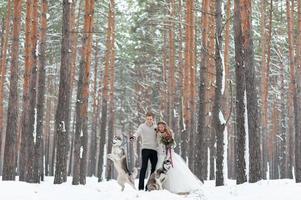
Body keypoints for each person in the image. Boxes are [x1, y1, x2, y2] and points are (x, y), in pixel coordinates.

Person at [156, 121, 202, 194]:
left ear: (165, 127)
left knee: (173, 170)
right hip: (161, 154)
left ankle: (177, 187)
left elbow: (174, 144)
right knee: (160, 170)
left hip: (169, 154)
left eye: (162, 127)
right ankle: (159, 186)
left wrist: (169, 144)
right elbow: (157, 144)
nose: (161, 128)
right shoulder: (157, 134)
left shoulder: (169, 133)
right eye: (159, 127)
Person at [130, 112, 158, 190]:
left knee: (153, 169)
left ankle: (149, 186)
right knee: (144, 168)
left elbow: (161, 135)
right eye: (148, 119)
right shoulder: (142, 126)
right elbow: (137, 133)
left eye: (151, 119)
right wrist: (133, 137)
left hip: (154, 150)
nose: (149, 120)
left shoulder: (156, 127)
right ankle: (141, 187)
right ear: (146, 118)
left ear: (153, 119)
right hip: (145, 149)